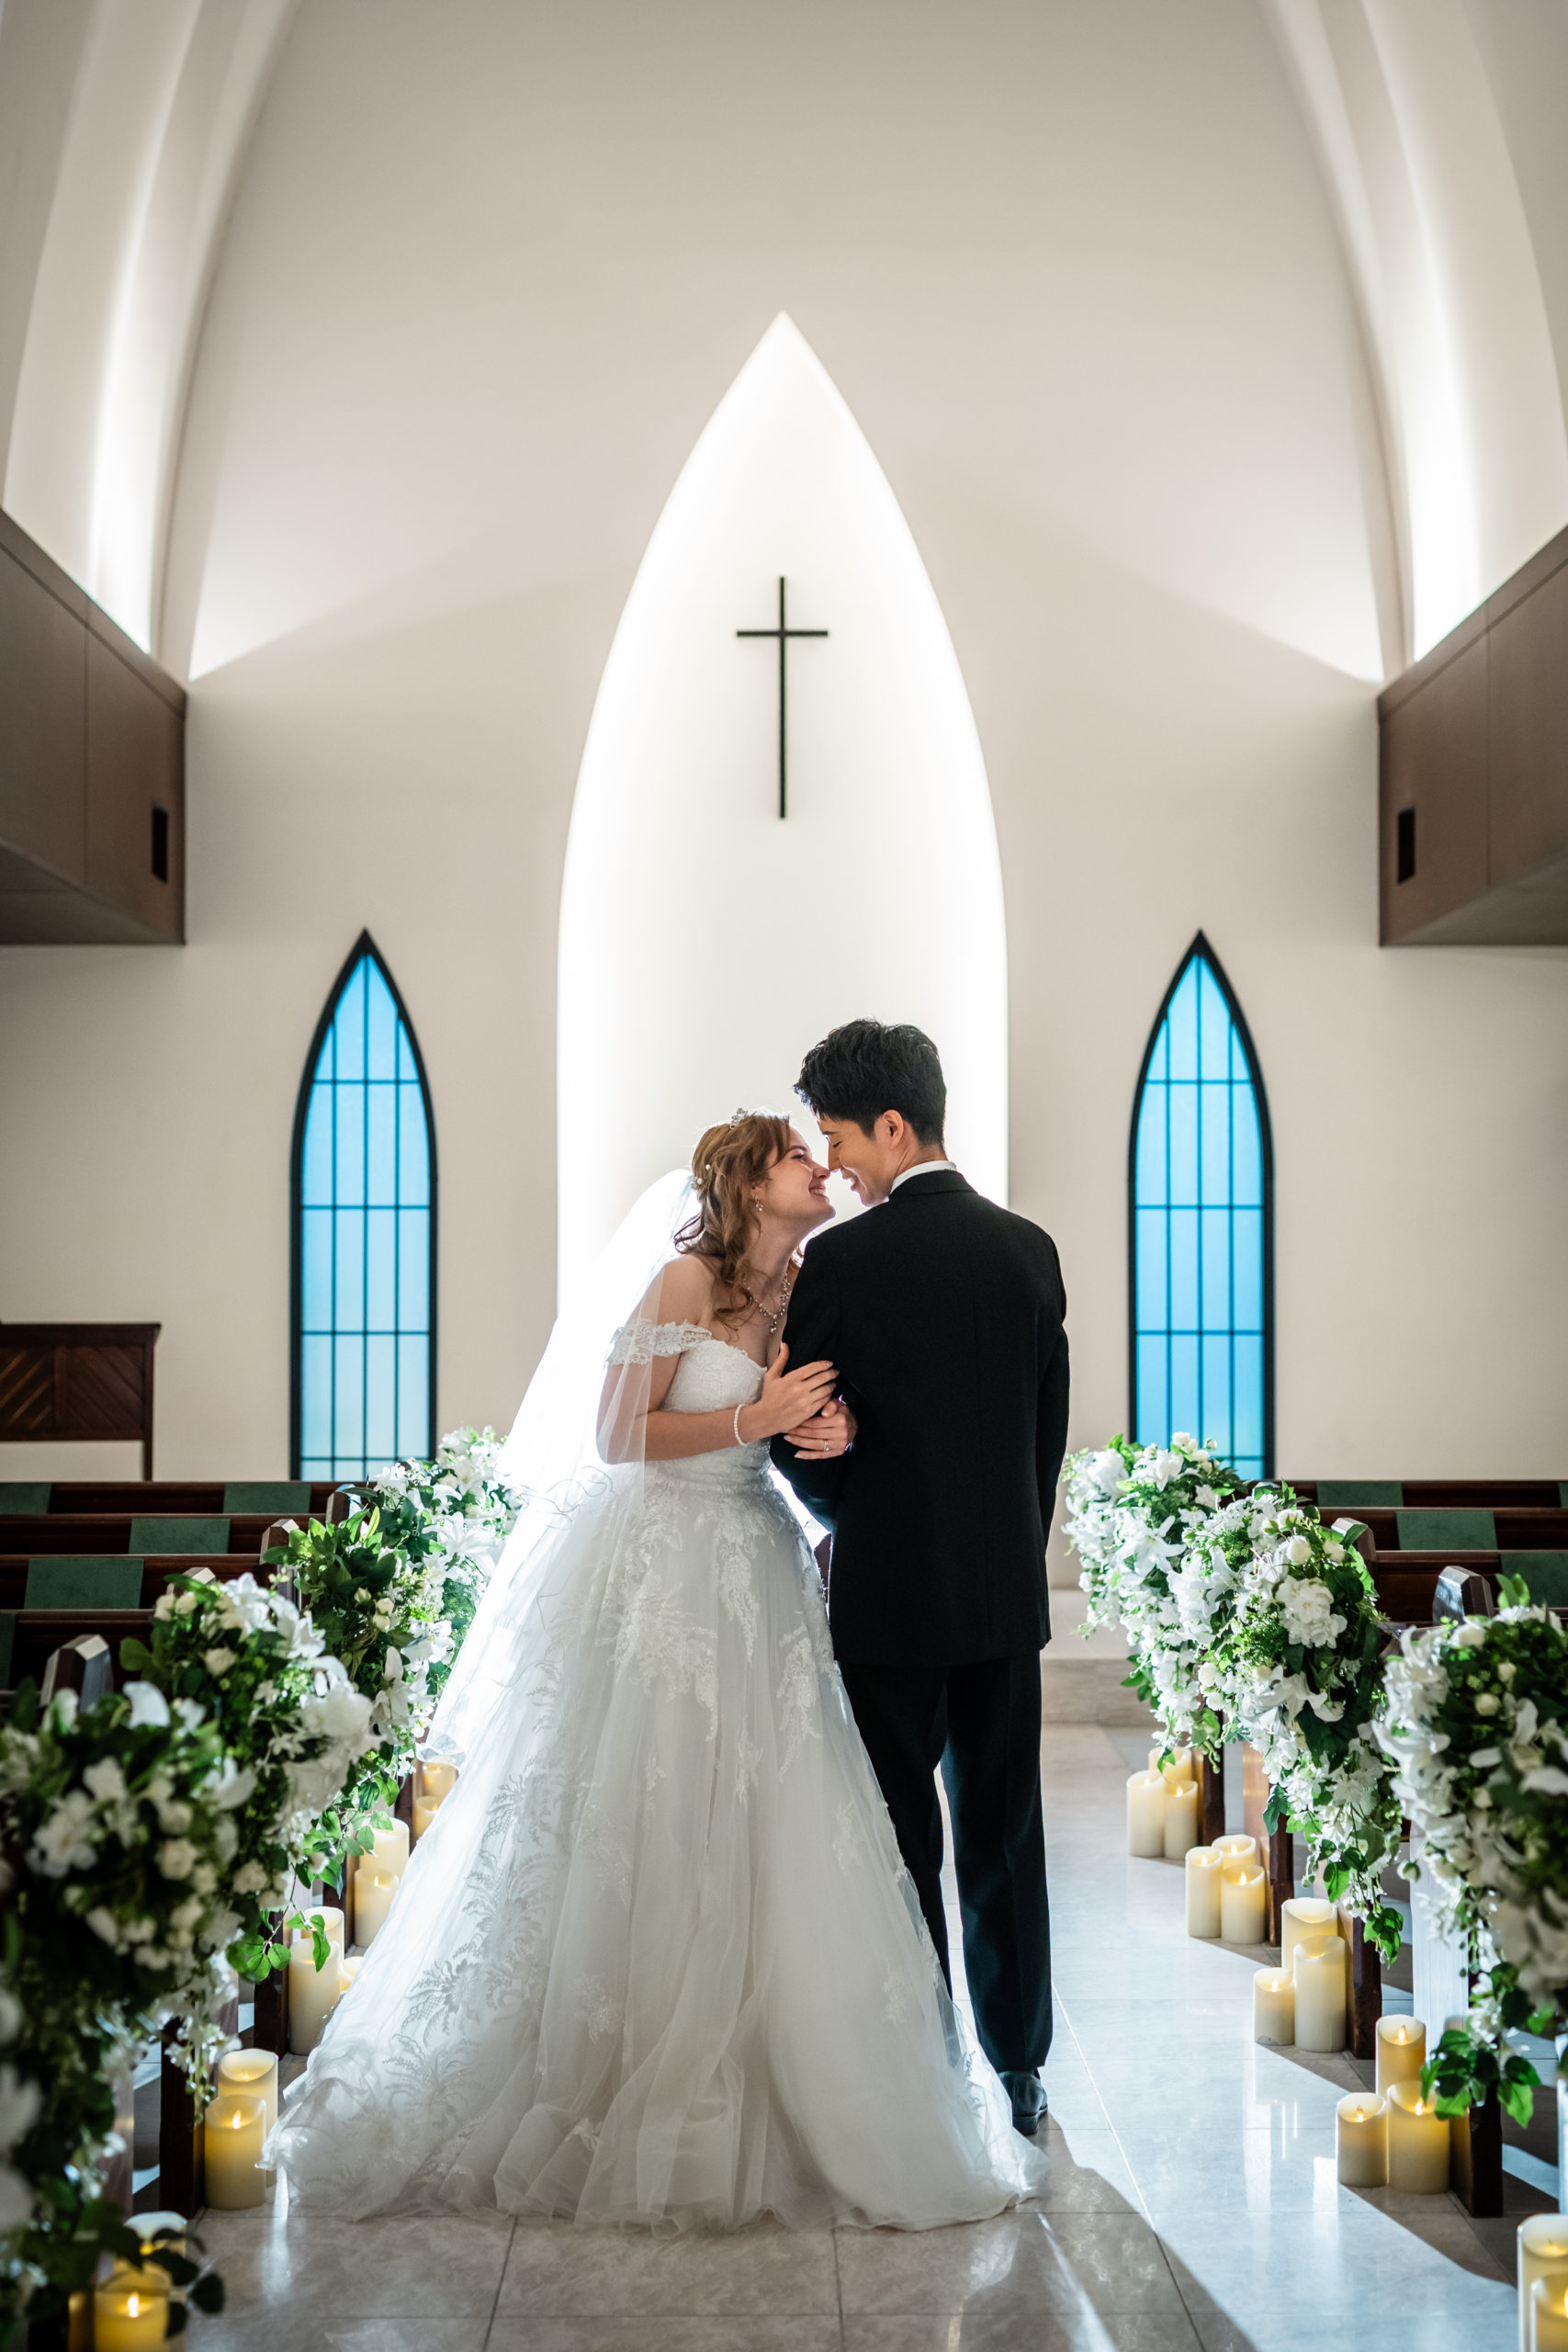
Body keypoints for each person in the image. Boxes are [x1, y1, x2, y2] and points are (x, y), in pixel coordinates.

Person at [268, 1112, 1040, 2227]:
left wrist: (822, 1432)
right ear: (749, 1184)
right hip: (666, 1564)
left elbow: (812, 1419)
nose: (819, 1166)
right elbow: (617, 1435)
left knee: (769, 1811)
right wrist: (756, 1412)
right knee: (649, 1803)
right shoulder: (684, 1282)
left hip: (761, 1565)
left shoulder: (804, 1289)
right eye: (797, 1154)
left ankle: (782, 2067)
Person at [770, 1021, 1068, 2141]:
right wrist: (1009, 1548)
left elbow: (799, 1435)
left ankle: (922, 2062)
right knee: (1003, 1832)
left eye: (841, 1138)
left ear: (893, 1126)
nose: (835, 1163)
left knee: (899, 1836)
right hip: (1001, 1595)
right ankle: (1020, 2066)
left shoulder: (844, 1264)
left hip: (888, 1600)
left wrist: (855, 1514)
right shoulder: (1029, 1250)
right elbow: (1043, 1439)